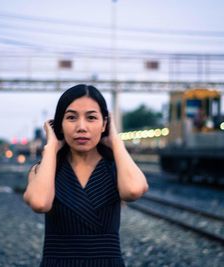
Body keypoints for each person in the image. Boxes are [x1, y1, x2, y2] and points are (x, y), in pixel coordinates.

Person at [23, 84, 148, 266]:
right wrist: (51, 147)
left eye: (91, 118)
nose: (81, 127)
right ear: (60, 124)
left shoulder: (115, 167)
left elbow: (134, 190)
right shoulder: (45, 170)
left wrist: (115, 141)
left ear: (104, 124)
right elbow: (40, 203)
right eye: (71, 117)